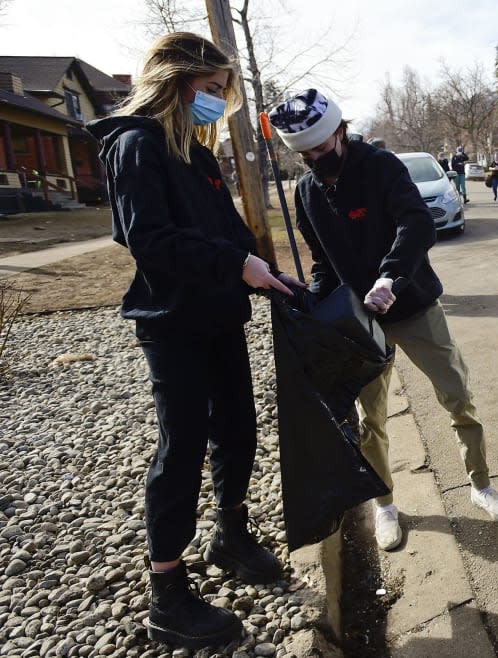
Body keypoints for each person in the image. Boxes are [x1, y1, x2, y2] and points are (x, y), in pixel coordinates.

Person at [86, 32, 302, 650]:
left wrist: (267, 272)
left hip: (219, 316)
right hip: (172, 322)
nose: (215, 102)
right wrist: (236, 266)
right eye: (209, 90)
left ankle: (230, 533)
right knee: (180, 448)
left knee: (237, 428)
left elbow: (230, 234)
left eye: (220, 93)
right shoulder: (134, 148)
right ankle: (168, 592)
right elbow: (148, 238)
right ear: (175, 83)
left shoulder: (199, 158)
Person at [269, 89, 498, 552]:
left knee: (457, 396)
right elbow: (323, 263)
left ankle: (480, 485)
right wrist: (318, 307)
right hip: (360, 326)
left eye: (321, 149)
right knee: (371, 420)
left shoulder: (381, 167)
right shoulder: (306, 192)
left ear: (340, 132)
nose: (315, 159)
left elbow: (416, 223)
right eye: (305, 154)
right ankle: (385, 504)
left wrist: (390, 276)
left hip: (413, 305)